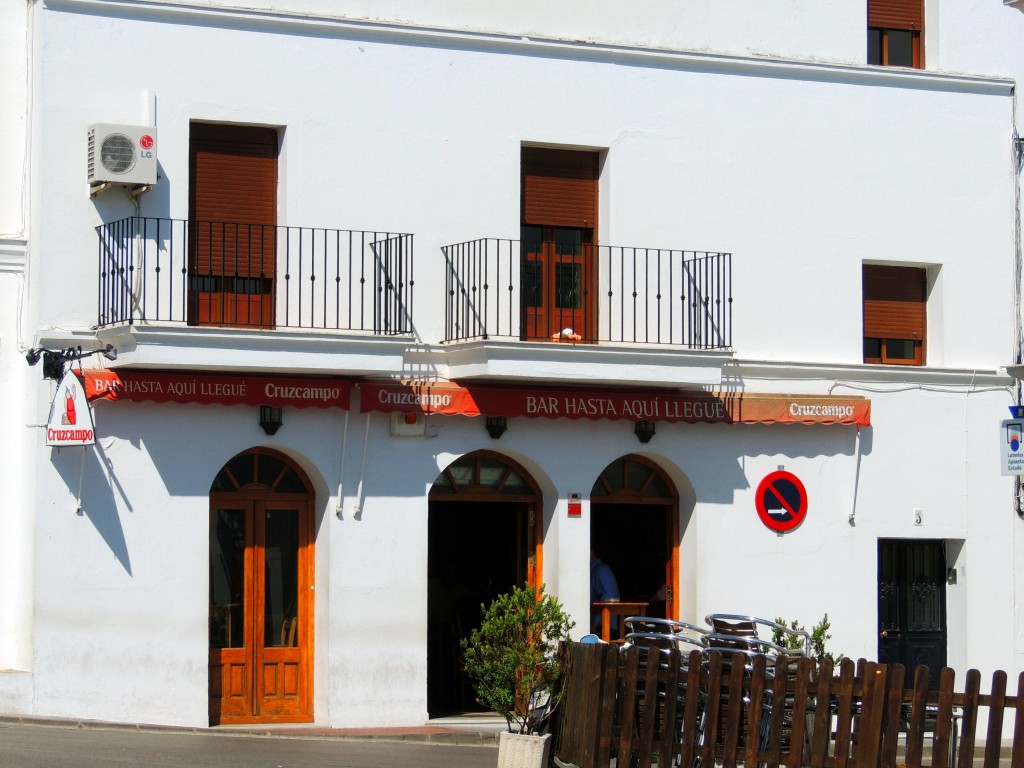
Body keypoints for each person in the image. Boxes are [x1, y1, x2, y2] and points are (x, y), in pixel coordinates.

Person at [590, 549, 620, 635]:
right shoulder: (596, 570)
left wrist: (594, 622)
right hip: (600, 625)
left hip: (604, 626)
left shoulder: (600, 571)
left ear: (592, 552)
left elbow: (609, 598)